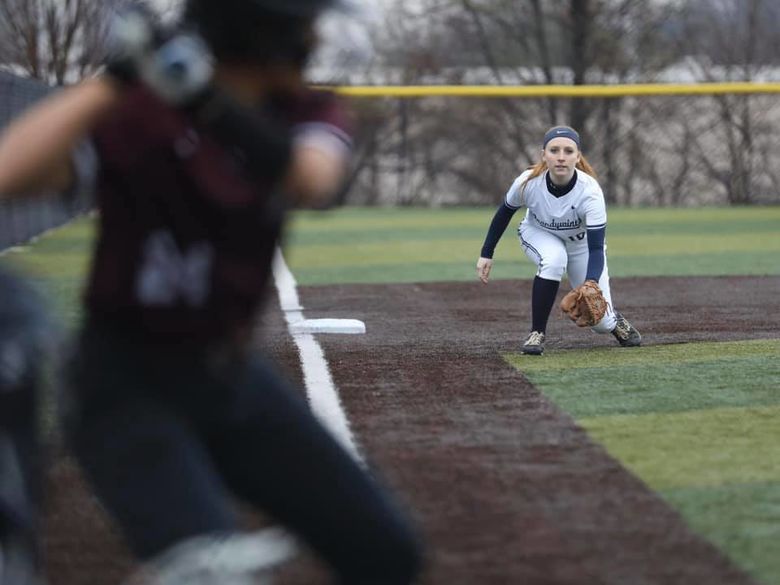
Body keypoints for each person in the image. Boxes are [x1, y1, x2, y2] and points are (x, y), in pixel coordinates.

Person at [0, 0, 423, 583]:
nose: (314, 37)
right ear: (262, 34)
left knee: (386, 551)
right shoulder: (143, 116)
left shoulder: (302, 111)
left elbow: (313, 180)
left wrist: (206, 101)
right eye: (303, 25)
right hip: (124, 389)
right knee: (208, 572)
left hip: (227, 378)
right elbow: (8, 173)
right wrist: (118, 78)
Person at [476, 125, 641, 356]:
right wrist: (487, 253)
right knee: (553, 260)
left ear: (578, 156)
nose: (561, 157)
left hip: (581, 243)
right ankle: (537, 333)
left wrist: (590, 283)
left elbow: (595, 248)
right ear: (543, 154)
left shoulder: (590, 191)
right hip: (538, 233)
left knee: (600, 323)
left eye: (568, 151)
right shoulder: (528, 182)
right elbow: (504, 212)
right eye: (554, 150)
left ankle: (614, 322)